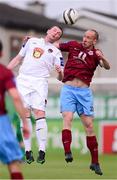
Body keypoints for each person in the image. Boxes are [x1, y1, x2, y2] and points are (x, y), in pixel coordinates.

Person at [7, 26, 64, 164]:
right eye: (55, 30)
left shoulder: (57, 53)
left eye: (59, 33)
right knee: (24, 114)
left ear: (58, 38)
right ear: (48, 31)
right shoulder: (31, 42)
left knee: (39, 113)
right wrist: (5, 72)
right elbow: (18, 59)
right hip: (24, 80)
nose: (56, 33)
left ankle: (42, 151)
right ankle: (27, 151)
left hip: (40, 83)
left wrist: (59, 72)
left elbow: (61, 78)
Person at [58, 29, 110, 175]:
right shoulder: (73, 45)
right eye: (85, 36)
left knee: (89, 126)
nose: (85, 39)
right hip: (68, 90)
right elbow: (55, 46)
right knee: (67, 119)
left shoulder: (96, 54)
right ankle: (67, 151)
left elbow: (107, 67)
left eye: (89, 38)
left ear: (94, 41)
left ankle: (95, 162)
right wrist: (36, 41)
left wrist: (103, 58)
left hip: (84, 93)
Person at [0, 40, 29, 179]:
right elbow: (16, 98)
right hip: (1, 121)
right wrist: (26, 123)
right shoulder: (4, 72)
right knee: (13, 162)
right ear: (1, 53)